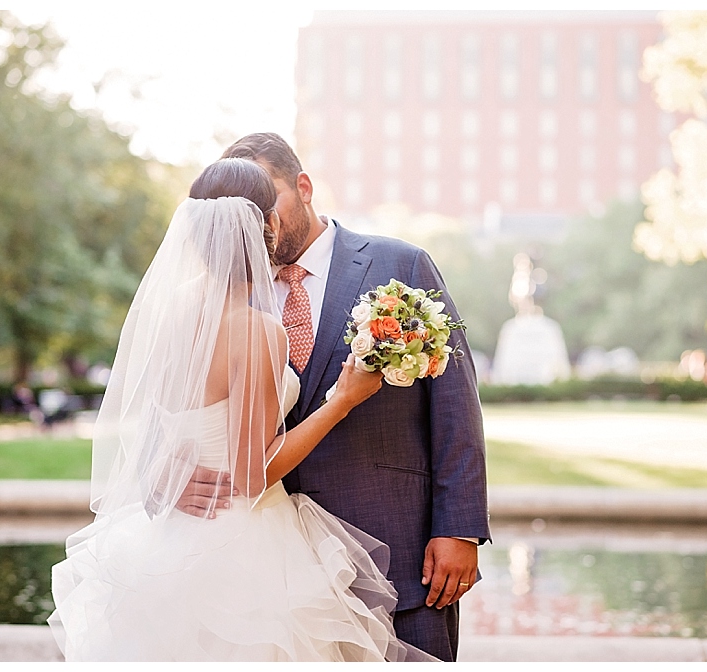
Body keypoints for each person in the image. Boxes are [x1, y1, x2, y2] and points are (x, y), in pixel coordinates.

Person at [48, 158, 436, 662]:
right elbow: (252, 476)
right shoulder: (254, 331)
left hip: (171, 541)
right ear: (268, 225)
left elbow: (162, 421)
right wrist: (341, 401)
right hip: (242, 546)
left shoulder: (173, 314)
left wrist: (167, 468)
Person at [180, 133, 491, 661]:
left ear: (303, 187)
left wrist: (459, 528)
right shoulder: (222, 299)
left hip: (396, 550)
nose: (258, 218)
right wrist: (166, 480)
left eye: (266, 198)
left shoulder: (401, 265)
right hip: (269, 563)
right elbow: (172, 410)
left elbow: (455, 405)